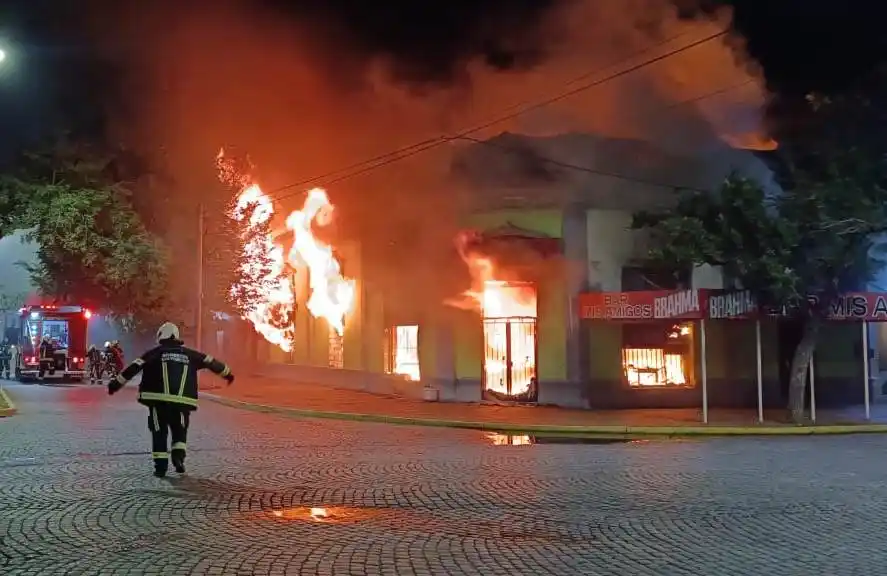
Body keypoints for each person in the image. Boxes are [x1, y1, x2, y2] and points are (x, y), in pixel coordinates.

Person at [108, 322, 235, 478]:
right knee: (180, 431)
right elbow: (211, 362)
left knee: (159, 431)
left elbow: (133, 368)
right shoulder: (190, 354)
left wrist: (115, 385)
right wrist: (228, 374)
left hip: (158, 401)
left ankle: (161, 468)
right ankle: (178, 458)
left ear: (161, 335)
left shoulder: (153, 353)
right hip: (182, 402)